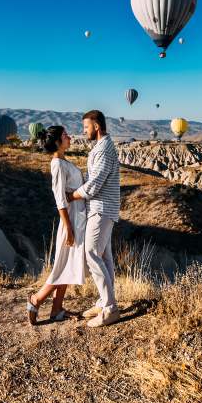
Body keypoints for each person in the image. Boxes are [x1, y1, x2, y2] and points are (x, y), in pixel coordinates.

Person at [26, 126, 87, 324]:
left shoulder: (63, 161)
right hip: (71, 219)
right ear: (57, 142)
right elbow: (60, 199)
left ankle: (57, 309)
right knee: (64, 265)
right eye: (65, 136)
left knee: (68, 263)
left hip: (76, 217)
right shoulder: (57, 164)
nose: (69, 137)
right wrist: (68, 227)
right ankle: (36, 299)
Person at [68, 109, 120, 327]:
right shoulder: (100, 147)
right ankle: (103, 302)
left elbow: (95, 184)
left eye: (86, 127)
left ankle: (110, 309)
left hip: (101, 208)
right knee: (105, 256)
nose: (84, 131)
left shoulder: (105, 149)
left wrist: (72, 196)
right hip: (100, 208)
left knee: (91, 253)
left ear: (96, 126)